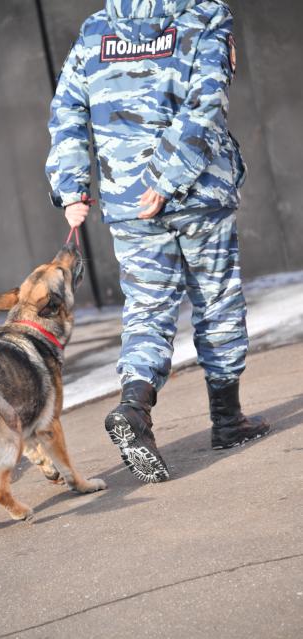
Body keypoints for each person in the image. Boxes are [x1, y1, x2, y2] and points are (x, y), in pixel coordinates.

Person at [46, 0, 270, 483]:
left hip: (129, 203)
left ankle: (135, 407)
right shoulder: (205, 15)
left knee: (148, 308)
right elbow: (206, 101)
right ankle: (228, 422)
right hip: (197, 193)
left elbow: (66, 106)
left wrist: (72, 188)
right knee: (216, 301)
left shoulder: (98, 28)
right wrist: (168, 178)